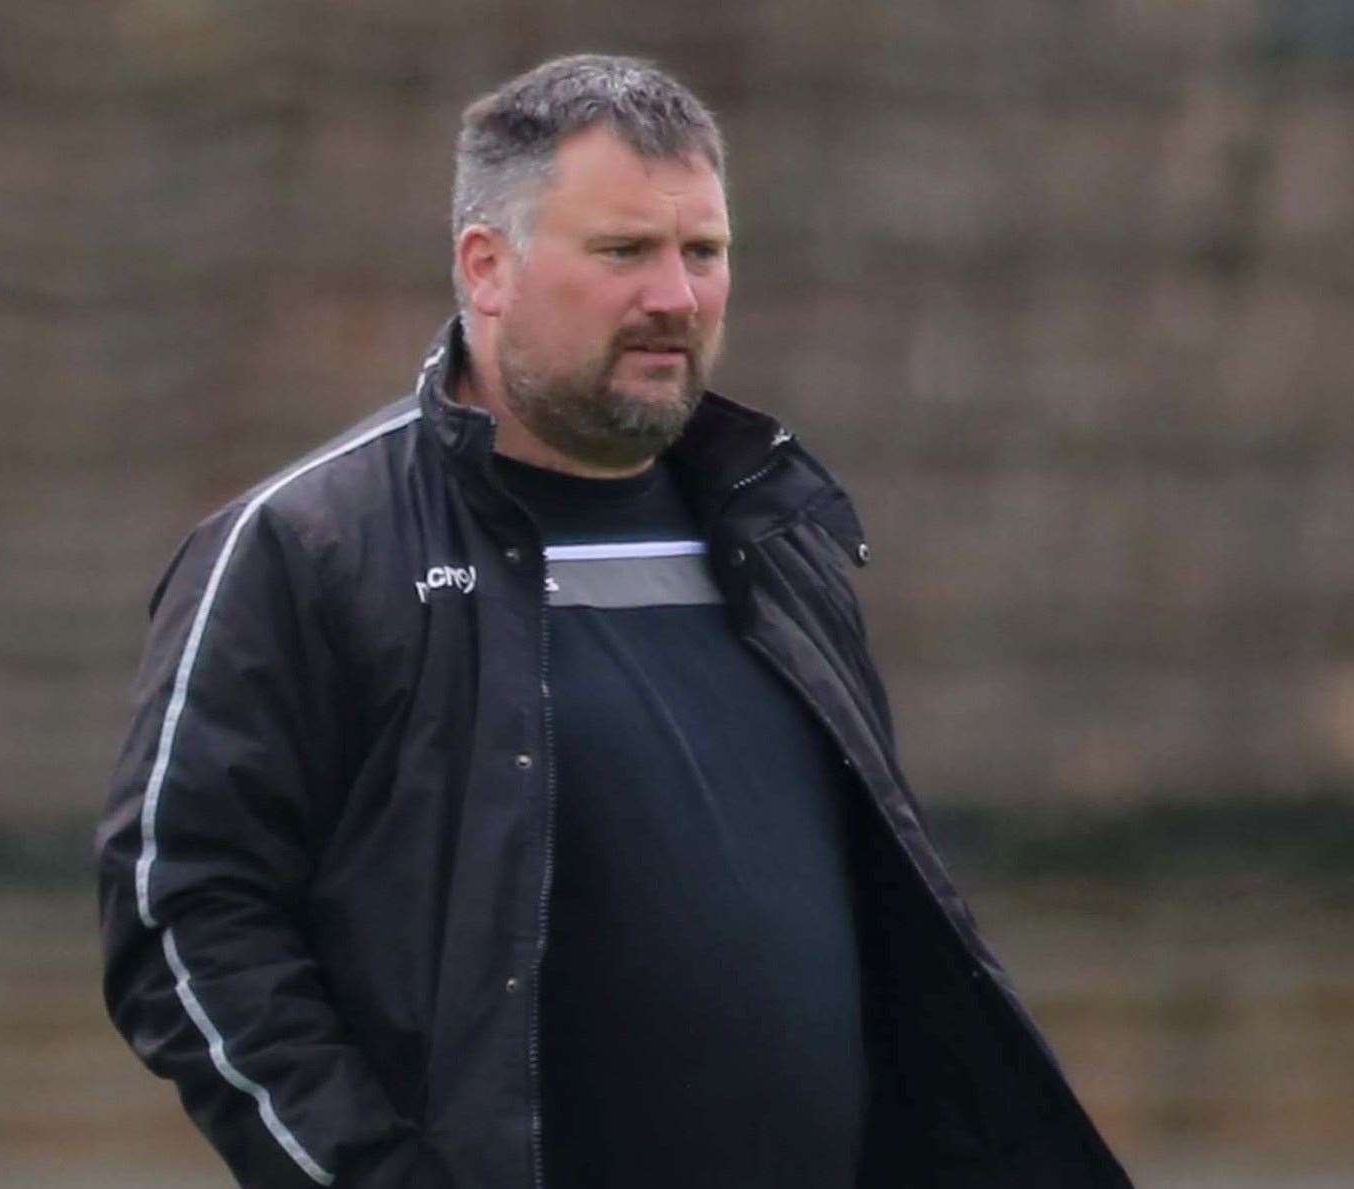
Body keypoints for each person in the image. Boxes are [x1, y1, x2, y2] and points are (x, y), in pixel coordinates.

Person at [97, 54, 1131, 1189]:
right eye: (624, 251)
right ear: (487, 269)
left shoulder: (778, 530)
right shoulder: (308, 549)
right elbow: (185, 915)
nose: (677, 297)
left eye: (705, 251)